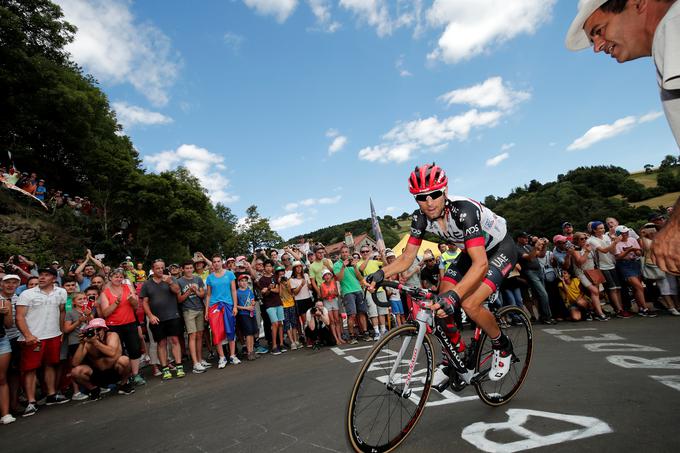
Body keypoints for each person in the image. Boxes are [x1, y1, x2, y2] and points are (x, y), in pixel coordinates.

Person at [366, 163, 517, 381]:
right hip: (471, 252)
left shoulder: (463, 211)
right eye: (421, 197)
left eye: (434, 194)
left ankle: (502, 345)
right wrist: (382, 273)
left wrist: (455, 296)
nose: (428, 202)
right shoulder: (419, 218)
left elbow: (481, 264)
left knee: (468, 303)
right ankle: (454, 356)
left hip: (498, 250)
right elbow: (407, 257)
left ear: (444, 191)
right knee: (440, 303)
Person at [567, 0, 680, 274]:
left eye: (599, 30)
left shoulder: (672, 28)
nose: (596, 46)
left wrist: (676, 224)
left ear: (638, 3)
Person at [15, 267, 69, 416]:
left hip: (53, 335)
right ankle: (31, 402)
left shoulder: (61, 292)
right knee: (30, 369)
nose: (42, 278)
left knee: (50, 364)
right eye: (41, 275)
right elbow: (19, 317)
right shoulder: (27, 294)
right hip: (34, 337)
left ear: (54, 278)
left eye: (47, 275)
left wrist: (61, 331)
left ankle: (51, 394)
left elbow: (62, 311)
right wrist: (27, 335)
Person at [140, 260, 185, 380]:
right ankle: (165, 368)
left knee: (175, 340)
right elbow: (144, 302)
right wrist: (150, 316)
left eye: (162, 268)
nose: (160, 270)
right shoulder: (147, 284)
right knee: (161, 343)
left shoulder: (170, 279)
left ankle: (179, 366)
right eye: (157, 268)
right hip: (157, 319)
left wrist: (170, 282)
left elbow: (177, 292)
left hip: (172, 315)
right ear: (153, 269)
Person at [100, 268, 145, 385]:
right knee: (117, 353)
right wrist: (116, 303)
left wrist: (132, 300)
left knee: (134, 349)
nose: (118, 279)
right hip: (113, 326)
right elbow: (105, 313)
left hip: (130, 323)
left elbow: (136, 307)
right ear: (110, 278)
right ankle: (122, 377)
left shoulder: (128, 288)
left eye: (120, 277)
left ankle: (135, 374)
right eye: (116, 276)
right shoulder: (105, 292)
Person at [70, 318, 134, 400]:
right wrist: (82, 344)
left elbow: (112, 353)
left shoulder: (112, 336)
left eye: (98, 329)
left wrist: (96, 343)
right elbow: (75, 363)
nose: (96, 332)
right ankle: (94, 389)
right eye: (93, 330)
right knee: (75, 372)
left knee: (124, 360)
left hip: (115, 371)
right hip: (98, 374)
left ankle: (124, 384)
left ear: (104, 329)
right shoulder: (88, 343)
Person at [588, 221, 633, 318]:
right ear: (594, 230)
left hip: (612, 264)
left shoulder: (606, 237)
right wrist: (615, 242)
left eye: (603, 227)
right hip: (603, 266)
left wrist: (614, 243)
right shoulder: (592, 240)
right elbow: (603, 251)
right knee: (612, 289)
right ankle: (619, 310)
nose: (602, 229)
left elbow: (612, 251)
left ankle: (621, 308)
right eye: (600, 228)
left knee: (618, 288)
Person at [614, 226, 658, 317]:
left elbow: (639, 252)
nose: (626, 234)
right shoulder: (616, 243)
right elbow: (618, 257)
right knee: (639, 287)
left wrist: (636, 251)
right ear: (618, 234)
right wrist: (630, 250)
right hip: (624, 265)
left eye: (626, 232)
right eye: (623, 233)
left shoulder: (632, 240)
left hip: (635, 263)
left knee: (636, 288)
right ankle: (645, 308)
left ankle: (640, 308)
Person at [205, 256, 239, 368]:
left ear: (222, 262)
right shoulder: (210, 278)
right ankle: (222, 357)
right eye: (214, 262)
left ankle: (232, 355)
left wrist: (235, 306)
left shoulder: (229, 274)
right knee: (216, 332)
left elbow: (233, 290)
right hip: (214, 307)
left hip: (228, 305)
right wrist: (206, 311)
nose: (216, 263)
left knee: (230, 330)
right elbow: (208, 295)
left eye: (218, 261)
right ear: (212, 264)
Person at [177, 261, 210, 373]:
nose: (189, 270)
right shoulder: (179, 281)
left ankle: (200, 360)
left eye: (191, 268)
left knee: (200, 334)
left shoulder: (197, 279)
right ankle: (195, 363)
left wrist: (195, 290)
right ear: (183, 269)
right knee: (193, 335)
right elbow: (179, 299)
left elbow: (202, 295)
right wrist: (188, 291)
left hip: (199, 308)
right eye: (187, 268)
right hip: (188, 310)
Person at [333, 246, 367, 344]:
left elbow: (360, 277)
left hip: (358, 289)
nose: (345, 254)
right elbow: (339, 278)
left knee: (362, 313)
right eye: (343, 252)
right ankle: (351, 335)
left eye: (346, 252)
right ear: (340, 254)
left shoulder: (353, 263)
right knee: (352, 314)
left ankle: (365, 333)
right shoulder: (337, 264)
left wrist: (355, 267)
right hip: (347, 291)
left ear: (349, 253)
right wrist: (343, 266)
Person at [62, 292, 92, 400]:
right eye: (79, 299)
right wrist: (78, 321)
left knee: (89, 364)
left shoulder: (87, 310)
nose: (83, 300)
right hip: (75, 342)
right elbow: (66, 329)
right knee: (76, 366)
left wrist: (88, 315)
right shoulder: (70, 312)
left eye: (85, 298)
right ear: (73, 302)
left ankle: (91, 386)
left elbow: (92, 324)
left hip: (88, 341)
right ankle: (76, 392)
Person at [258, 260, 285, 355]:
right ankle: (274, 346)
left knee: (280, 323)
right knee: (274, 324)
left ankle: (281, 344)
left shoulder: (275, 277)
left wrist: (269, 289)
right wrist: (269, 289)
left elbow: (278, 290)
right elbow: (264, 293)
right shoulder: (262, 280)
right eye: (267, 266)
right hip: (269, 304)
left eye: (270, 266)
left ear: (272, 267)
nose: (269, 268)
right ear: (264, 268)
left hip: (278, 302)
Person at [0, 277, 14, 424]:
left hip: (2, 340)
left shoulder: (4, 301)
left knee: (2, 378)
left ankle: (5, 414)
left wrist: (6, 312)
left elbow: (9, 325)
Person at [277, 267, 301, 350]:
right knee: (287, 325)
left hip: (291, 303)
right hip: (284, 305)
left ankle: (296, 340)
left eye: (283, 274)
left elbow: (291, 292)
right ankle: (292, 342)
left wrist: (287, 285)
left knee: (294, 323)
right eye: (280, 275)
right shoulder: (278, 283)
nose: (282, 276)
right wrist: (280, 283)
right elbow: (279, 294)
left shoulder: (288, 281)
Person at [319, 269, 345, 345]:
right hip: (327, 302)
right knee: (332, 321)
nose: (327, 276)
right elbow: (322, 296)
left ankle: (339, 337)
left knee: (337, 320)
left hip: (334, 301)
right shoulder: (322, 285)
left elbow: (337, 293)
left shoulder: (334, 283)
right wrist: (328, 294)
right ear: (323, 277)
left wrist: (334, 293)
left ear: (331, 276)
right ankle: (336, 339)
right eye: (325, 275)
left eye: (328, 275)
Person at [235, 275, 258, 360]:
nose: (244, 283)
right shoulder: (237, 292)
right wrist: (246, 308)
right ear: (238, 283)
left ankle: (252, 351)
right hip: (243, 314)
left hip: (251, 313)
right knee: (248, 333)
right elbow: (235, 306)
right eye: (242, 281)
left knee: (252, 332)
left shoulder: (249, 291)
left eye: (245, 281)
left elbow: (252, 300)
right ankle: (249, 352)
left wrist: (253, 303)